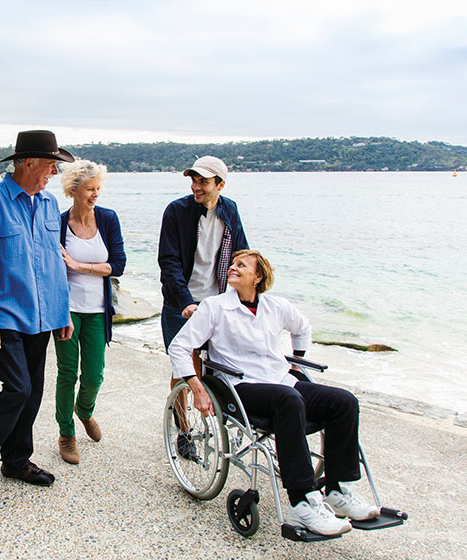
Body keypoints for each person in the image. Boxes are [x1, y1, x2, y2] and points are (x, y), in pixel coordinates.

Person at [168, 250, 380, 537]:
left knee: (344, 402)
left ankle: (338, 491)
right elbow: (179, 347)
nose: (233, 268)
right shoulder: (214, 307)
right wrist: (196, 387)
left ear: (258, 277)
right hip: (240, 388)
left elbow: (303, 327)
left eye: (241, 265)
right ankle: (302, 501)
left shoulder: (275, 306)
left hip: (280, 380)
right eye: (232, 264)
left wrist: (296, 361)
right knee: (289, 400)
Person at [0, 130, 74, 499]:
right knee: (18, 388)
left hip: (41, 316)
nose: (54, 173)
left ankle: (16, 460)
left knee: (35, 391)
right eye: (51, 165)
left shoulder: (46, 204)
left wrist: (63, 313)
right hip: (4, 314)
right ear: (28, 163)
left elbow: (53, 263)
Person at [157, 156, 248, 456]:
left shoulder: (229, 210)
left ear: (220, 185)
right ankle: (183, 429)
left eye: (203, 182)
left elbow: (242, 255)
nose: (196, 187)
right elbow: (168, 263)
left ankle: (221, 422)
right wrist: (185, 302)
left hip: (216, 302)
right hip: (179, 303)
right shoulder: (177, 211)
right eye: (193, 181)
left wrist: (249, 294)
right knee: (185, 365)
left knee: (218, 366)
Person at [54, 160, 126, 464]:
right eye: (89, 189)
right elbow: (53, 271)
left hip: (97, 311)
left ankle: (84, 411)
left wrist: (80, 266)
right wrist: (60, 313)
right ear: (74, 190)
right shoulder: (59, 224)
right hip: (67, 311)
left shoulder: (108, 220)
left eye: (98, 188)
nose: (95, 194)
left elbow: (119, 265)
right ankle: (66, 434)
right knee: (67, 374)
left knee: (94, 375)